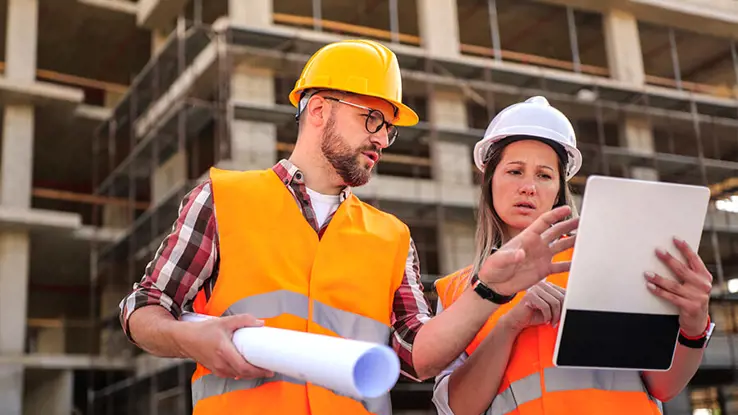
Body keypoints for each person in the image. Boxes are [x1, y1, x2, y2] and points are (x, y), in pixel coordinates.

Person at [118, 39, 578, 415]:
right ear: (318, 109)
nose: (382, 138)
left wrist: (489, 291)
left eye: (388, 128)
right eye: (372, 118)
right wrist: (189, 337)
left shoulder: (392, 236)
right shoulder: (223, 199)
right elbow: (145, 305)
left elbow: (418, 356)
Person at [432, 96, 715, 415]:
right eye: (514, 171)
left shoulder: (613, 263)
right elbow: (457, 410)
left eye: (544, 175)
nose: (528, 187)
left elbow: (663, 387)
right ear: (489, 181)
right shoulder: (457, 292)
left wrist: (694, 327)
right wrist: (510, 325)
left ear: (558, 189)